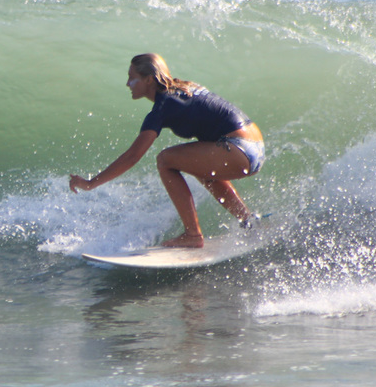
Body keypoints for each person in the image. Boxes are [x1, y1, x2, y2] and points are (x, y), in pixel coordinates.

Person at [69, 53, 265, 248]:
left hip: (238, 149)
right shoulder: (185, 88)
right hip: (254, 146)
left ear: (148, 80)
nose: (127, 83)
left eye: (132, 78)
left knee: (165, 160)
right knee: (201, 168)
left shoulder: (164, 106)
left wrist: (90, 184)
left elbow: (132, 156)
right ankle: (248, 221)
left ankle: (193, 235)